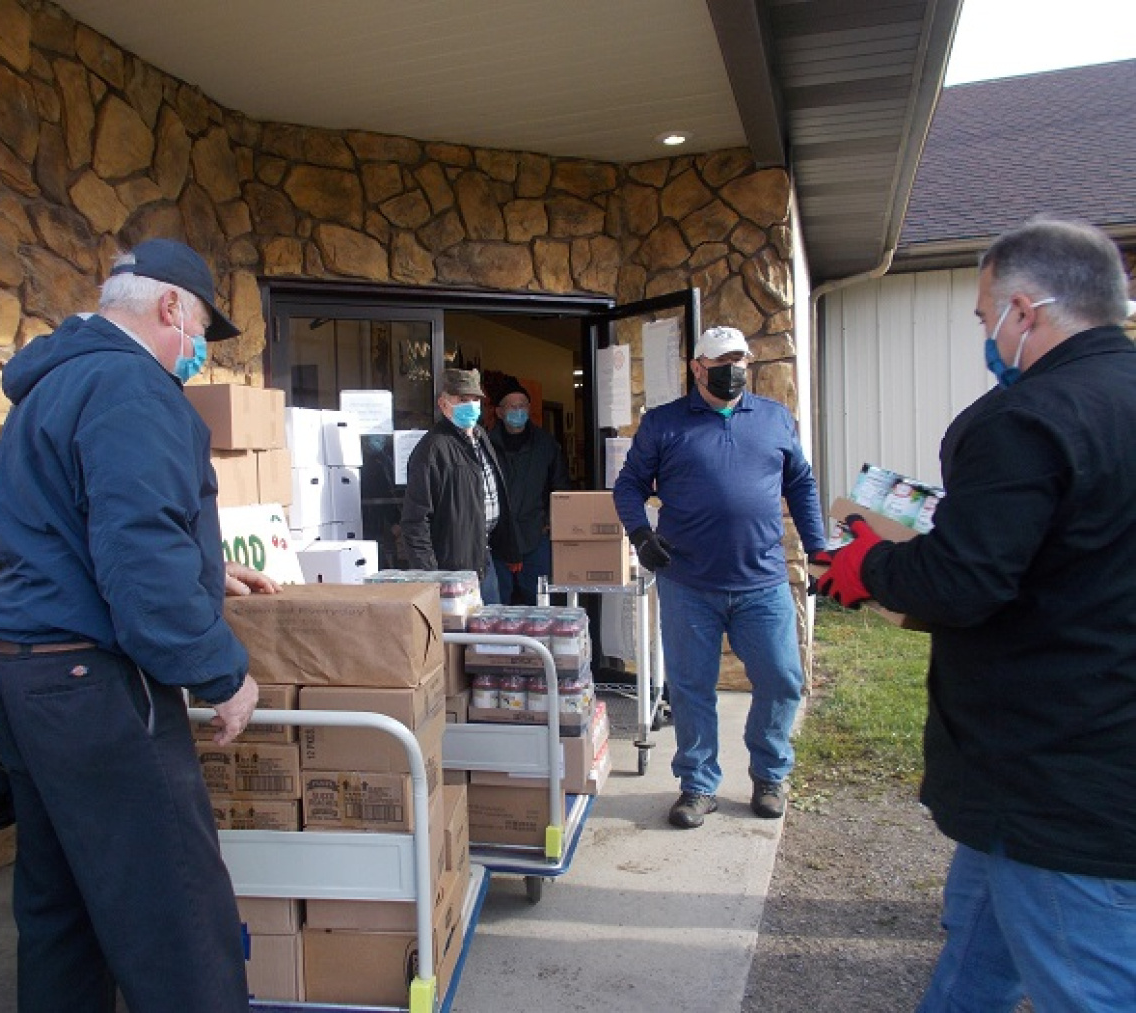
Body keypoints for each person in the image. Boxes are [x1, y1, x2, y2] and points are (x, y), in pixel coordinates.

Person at [816, 218, 1136, 1012]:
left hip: (1054, 776)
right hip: (1074, 763)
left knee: (1087, 986)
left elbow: (962, 581)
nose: (985, 332)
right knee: (975, 956)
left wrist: (868, 564)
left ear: (1024, 311)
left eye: (985, 313)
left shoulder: (1026, 417)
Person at [0, 238, 280, 1013]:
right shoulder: (130, 387)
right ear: (171, 305)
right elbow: (139, 554)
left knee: (62, 911)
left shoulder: (54, 384)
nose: (200, 350)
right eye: (202, 327)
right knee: (177, 915)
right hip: (95, 685)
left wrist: (208, 569)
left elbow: (78, 526)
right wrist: (221, 671)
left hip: (26, 672)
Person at [613, 325, 826, 829]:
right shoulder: (664, 423)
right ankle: (698, 784)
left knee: (782, 679)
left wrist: (818, 550)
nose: (732, 371)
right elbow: (629, 485)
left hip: (763, 582)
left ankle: (770, 775)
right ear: (697, 368)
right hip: (688, 582)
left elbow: (801, 484)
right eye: (720, 362)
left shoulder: (775, 418)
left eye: (739, 361)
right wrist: (641, 535)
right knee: (691, 688)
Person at [400, 367, 519, 604]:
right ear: (443, 404)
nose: (471, 406)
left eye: (475, 399)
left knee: (490, 626)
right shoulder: (432, 449)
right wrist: (431, 579)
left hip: (484, 559)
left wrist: (510, 548)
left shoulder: (481, 437)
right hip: (452, 570)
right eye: (463, 400)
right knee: (462, 628)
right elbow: (415, 521)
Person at [487, 378, 569, 604]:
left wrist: (551, 522)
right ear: (499, 412)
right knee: (496, 606)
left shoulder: (546, 444)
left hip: (535, 535)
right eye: (512, 406)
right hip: (496, 538)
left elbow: (560, 488)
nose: (518, 410)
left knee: (540, 603)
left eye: (522, 405)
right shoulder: (486, 445)